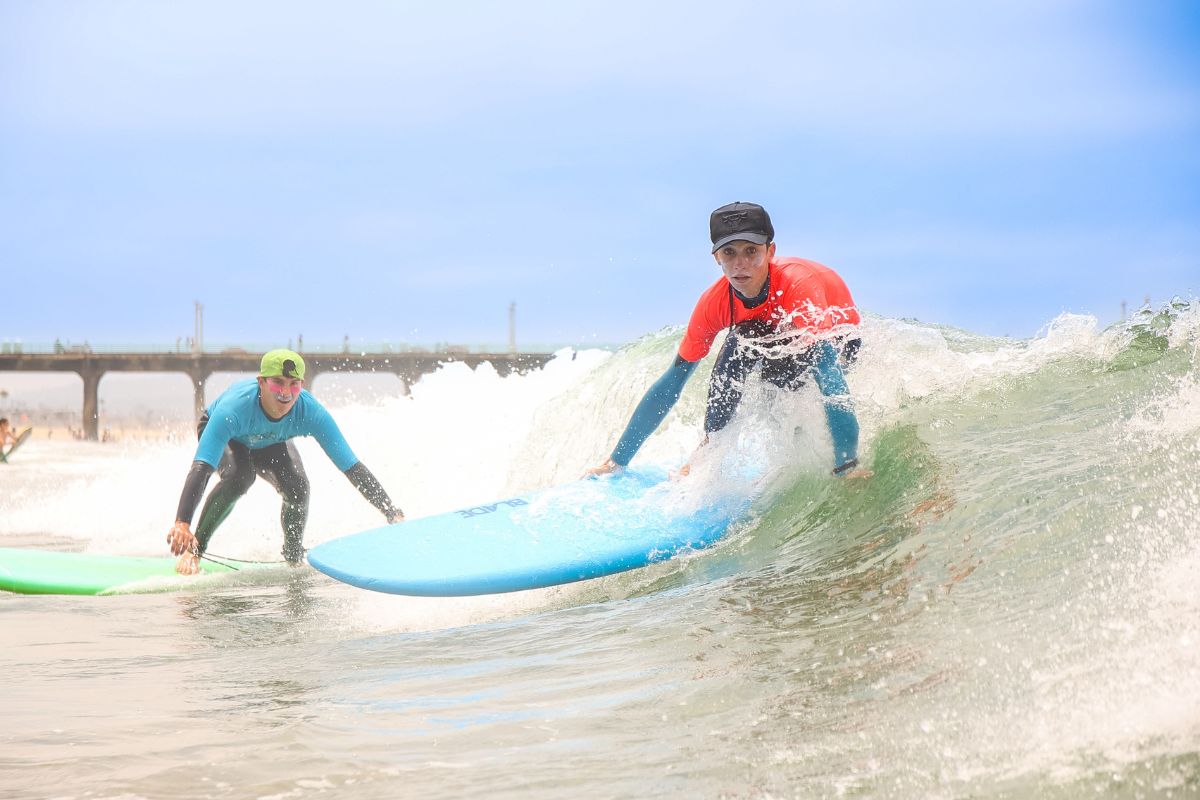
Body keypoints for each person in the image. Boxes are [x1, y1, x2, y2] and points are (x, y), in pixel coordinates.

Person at [588, 201, 866, 479]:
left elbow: (831, 376)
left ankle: (843, 458)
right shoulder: (715, 302)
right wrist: (617, 461)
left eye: (751, 251)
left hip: (840, 339)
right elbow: (671, 385)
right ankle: (709, 447)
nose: (740, 264)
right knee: (739, 344)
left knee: (807, 366)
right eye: (729, 253)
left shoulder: (797, 285)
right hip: (776, 340)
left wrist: (846, 467)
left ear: (770, 251)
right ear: (716, 258)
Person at [167, 349, 405, 575]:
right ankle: (194, 550)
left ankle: (293, 556)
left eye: (294, 384)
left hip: (269, 440)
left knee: (298, 487)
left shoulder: (310, 412)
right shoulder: (233, 410)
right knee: (241, 477)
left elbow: (351, 466)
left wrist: (391, 511)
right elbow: (201, 468)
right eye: (277, 382)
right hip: (231, 438)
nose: (286, 392)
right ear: (261, 382)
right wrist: (182, 522)